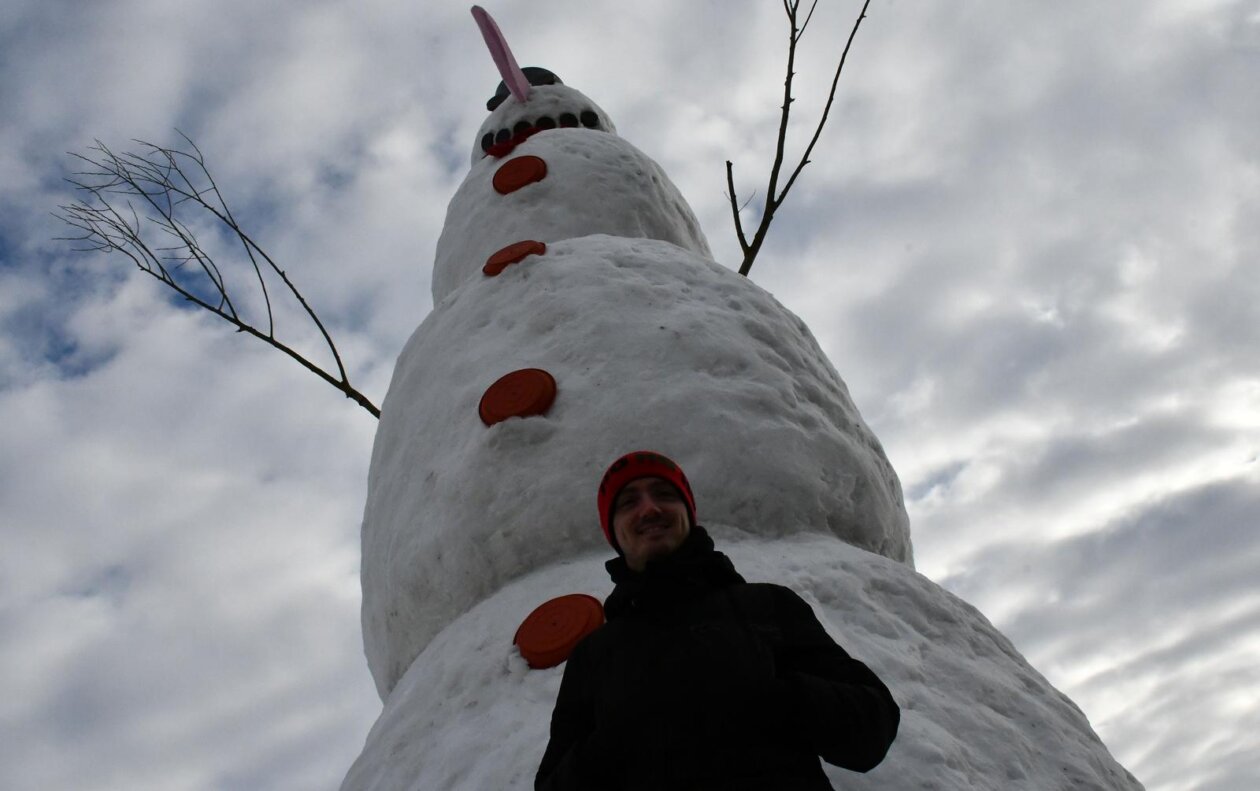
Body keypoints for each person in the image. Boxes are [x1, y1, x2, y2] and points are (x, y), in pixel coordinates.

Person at [535, 450, 900, 790]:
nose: (648, 510)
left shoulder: (768, 605)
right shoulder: (595, 654)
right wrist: (615, 739)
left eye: (664, 494)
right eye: (628, 502)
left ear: (688, 514)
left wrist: (774, 693)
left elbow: (873, 728)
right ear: (613, 532)